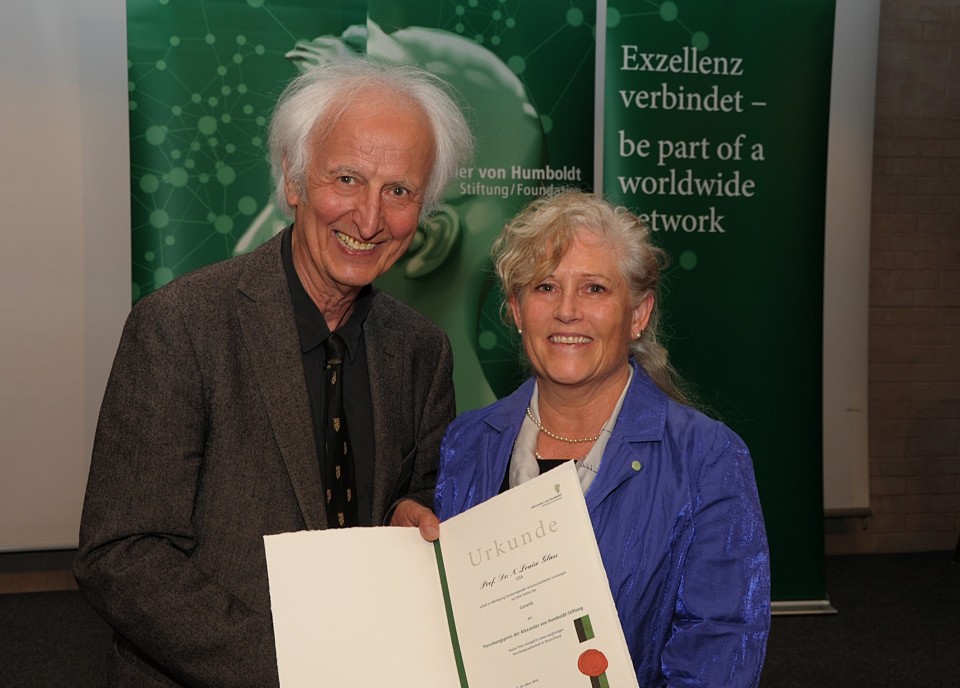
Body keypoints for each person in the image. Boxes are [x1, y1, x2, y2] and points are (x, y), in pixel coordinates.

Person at [74, 57, 472, 687]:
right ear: (292, 179)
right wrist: (292, 668)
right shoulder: (181, 327)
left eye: (398, 190)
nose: (369, 220)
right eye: (347, 178)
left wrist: (408, 512)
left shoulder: (422, 350)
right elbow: (122, 554)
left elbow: (420, 495)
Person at [435, 190, 770, 687]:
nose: (567, 310)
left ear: (637, 315)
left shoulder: (707, 460)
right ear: (516, 309)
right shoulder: (465, 444)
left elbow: (718, 653)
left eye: (594, 289)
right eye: (545, 287)